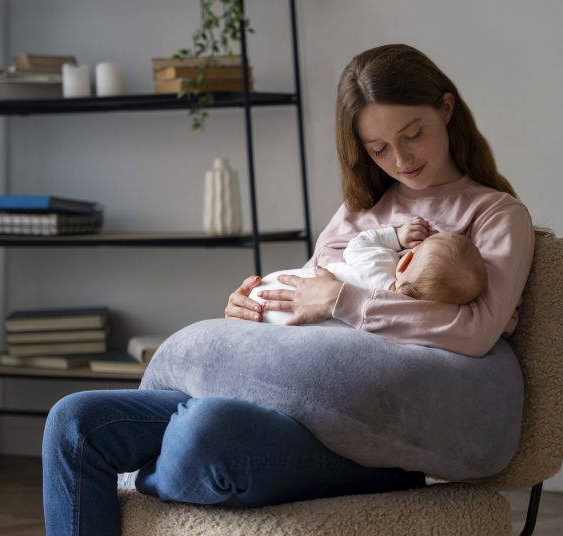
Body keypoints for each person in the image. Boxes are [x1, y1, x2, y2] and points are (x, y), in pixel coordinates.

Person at [43, 44, 534, 536]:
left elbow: (477, 331)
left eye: (413, 135)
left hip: (366, 437)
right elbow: (306, 306)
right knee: (74, 421)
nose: (401, 159)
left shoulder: (493, 215)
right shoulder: (359, 214)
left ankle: (144, 472)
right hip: (278, 403)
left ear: (446, 110)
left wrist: (343, 301)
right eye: (379, 149)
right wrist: (254, 311)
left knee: (205, 430)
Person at [249, 216, 488, 325]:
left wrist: (397, 236)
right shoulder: (401, 317)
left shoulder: (380, 263)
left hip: (271, 290)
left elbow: (359, 243)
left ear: (404, 262)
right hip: (291, 323)